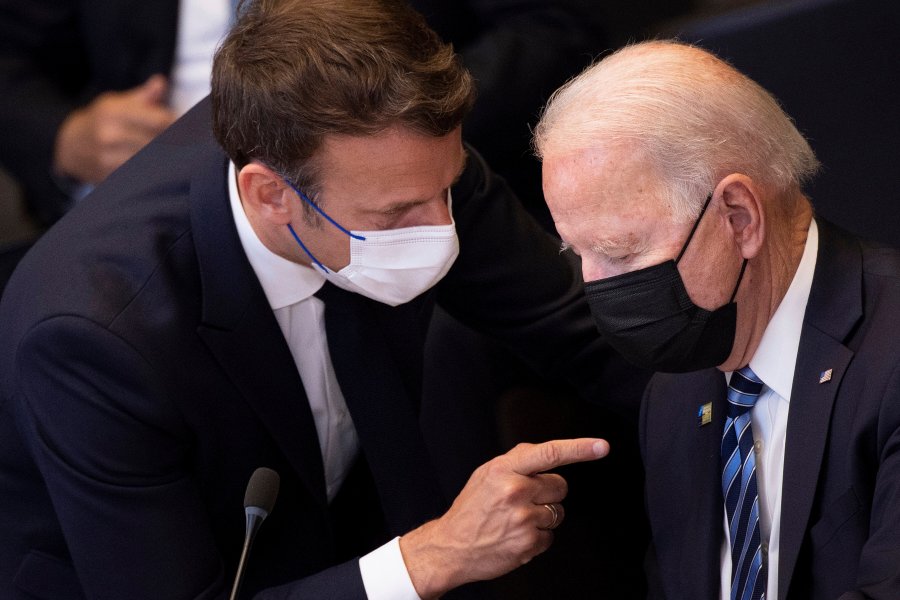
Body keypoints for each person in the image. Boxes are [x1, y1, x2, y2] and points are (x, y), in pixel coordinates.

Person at [0, 1, 648, 598]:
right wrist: (433, 556)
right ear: (269, 196)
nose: (439, 228)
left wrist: (738, 413)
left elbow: (591, 337)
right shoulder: (94, 340)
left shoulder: (407, 168)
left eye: (446, 191)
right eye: (395, 215)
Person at [534, 40, 900, 599]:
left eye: (622, 252)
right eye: (576, 252)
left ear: (739, 216)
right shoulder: (675, 396)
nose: (596, 286)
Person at [0, 0, 606, 230]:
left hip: (389, 201)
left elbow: (554, 24)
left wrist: (403, 119)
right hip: (128, 205)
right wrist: (62, 134)